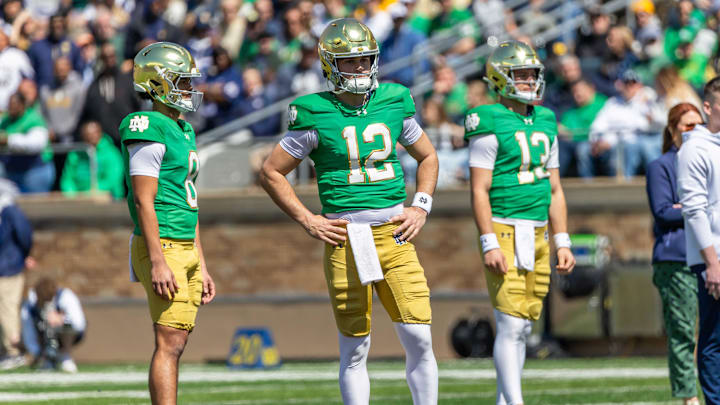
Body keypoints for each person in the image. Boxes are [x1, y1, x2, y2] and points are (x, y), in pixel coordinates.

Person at [260, 18, 439, 405]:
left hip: (395, 232)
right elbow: (271, 171)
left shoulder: (393, 100)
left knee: (419, 336)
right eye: (350, 61)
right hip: (345, 238)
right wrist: (307, 219)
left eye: (365, 59)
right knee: (355, 347)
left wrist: (421, 206)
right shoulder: (314, 112)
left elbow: (427, 155)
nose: (360, 68)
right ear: (330, 65)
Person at [464, 40, 576, 405]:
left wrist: (563, 240)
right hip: (505, 227)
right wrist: (488, 241)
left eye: (532, 73)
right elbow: (479, 189)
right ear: (500, 78)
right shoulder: (488, 119)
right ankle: (515, 402)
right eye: (520, 74)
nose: (529, 80)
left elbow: (555, 188)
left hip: (539, 230)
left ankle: (505, 400)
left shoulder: (545, 119)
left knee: (523, 325)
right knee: (510, 325)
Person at [120, 42, 216, 405]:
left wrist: (202, 263)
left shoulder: (183, 129)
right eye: (182, 81)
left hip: (184, 243)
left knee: (179, 339)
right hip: (164, 245)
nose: (189, 89)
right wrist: (157, 258)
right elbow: (144, 199)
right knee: (169, 341)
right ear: (158, 82)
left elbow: (187, 201)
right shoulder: (146, 125)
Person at [647, 103, 703, 405]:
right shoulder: (662, 166)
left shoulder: (708, 160)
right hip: (677, 258)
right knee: (683, 332)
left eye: (699, 125)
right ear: (673, 130)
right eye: (687, 125)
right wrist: (698, 207)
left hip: (710, 257)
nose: (694, 131)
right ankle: (689, 397)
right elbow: (663, 212)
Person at [677, 77, 720, 405]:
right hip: (715, 256)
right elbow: (694, 210)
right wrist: (712, 262)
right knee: (714, 340)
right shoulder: (695, 148)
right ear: (708, 107)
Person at [20, 277, 86, 373]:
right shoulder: (30, 304)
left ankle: (64, 357)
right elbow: (28, 330)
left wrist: (62, 319)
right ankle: (48, 358)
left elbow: (79, 324)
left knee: (65, 329)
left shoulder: (65, 296)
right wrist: (36, 352)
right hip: (42, 334)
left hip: (65, 334)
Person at [0, 179, 32, 370]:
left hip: (9, 269)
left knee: (8, 310)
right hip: (5, 267)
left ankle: (13, 352)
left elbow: (24, 235)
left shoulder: (9, 211)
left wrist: (22, 257)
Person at [60, 120, 125, 199]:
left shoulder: (111, 153)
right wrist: (71, 194)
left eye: (93, 134)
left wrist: (90, 193)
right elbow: (68, 179)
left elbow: (112, 179)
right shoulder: (75, 154)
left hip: (107, 198)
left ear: (100, 134)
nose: (90, 138)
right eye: (87, 136)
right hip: (79, 198)